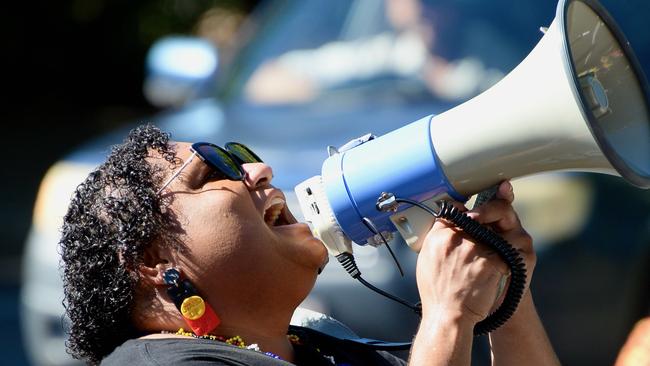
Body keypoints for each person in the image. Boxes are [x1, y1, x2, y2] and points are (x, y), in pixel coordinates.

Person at [60, 124, 559, 365]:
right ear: (152, 260)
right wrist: (448, 318)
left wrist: (503, 297)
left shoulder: (323, 349)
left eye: (245, 156)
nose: (258, 170)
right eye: (215, 169)